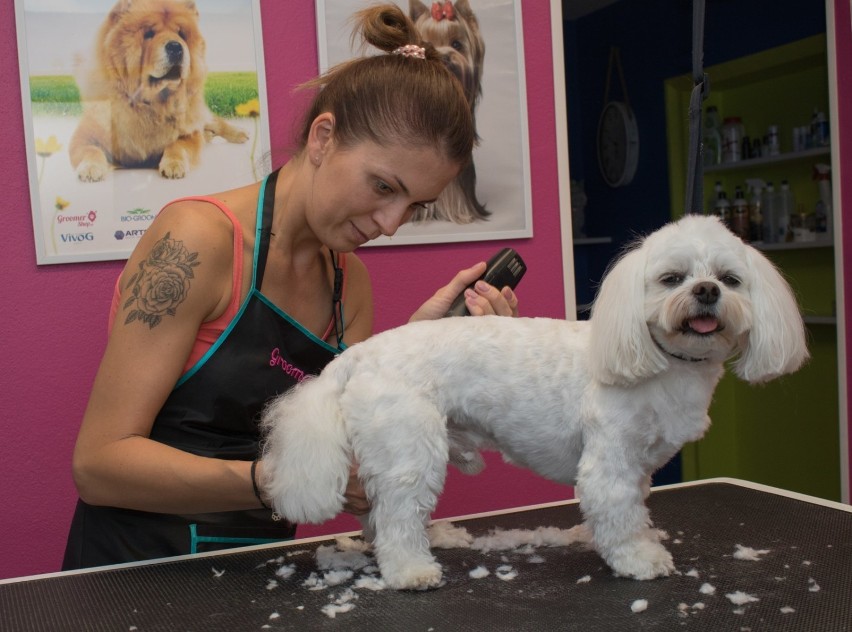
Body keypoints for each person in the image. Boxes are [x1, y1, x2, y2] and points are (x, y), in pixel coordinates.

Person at [62, 4, 519, 569]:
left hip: (267, 568)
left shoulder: (348, 285)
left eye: (414, 206)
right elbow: (99, 466)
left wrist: (422, 352)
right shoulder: (196, 240)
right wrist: (279, 482)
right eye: (382, 186)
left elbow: (347, 454)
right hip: (138, 572)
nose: (390, 223)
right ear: (324, 137)